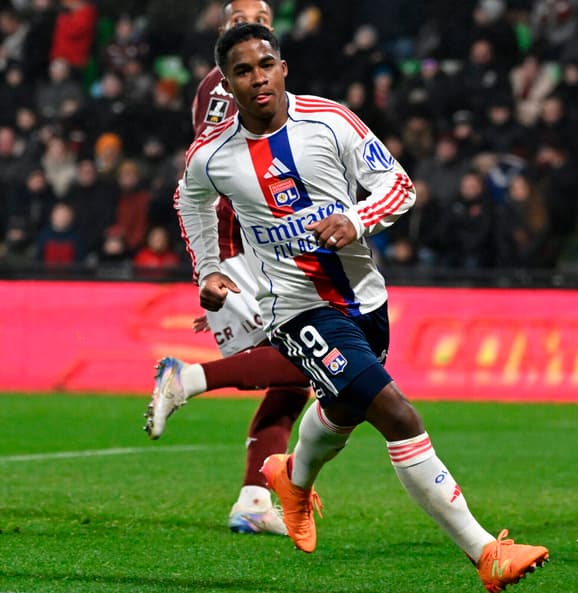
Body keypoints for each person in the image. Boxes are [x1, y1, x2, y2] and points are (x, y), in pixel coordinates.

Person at [176, 23, 548, 592]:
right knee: (396, 414)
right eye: (244, 70)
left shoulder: (330, 120)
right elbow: (191, 203)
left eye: (266, 64)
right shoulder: (213, 155)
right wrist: (210, 269)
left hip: (364, 298)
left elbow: (399, 186)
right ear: (227, 82)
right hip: (295, 310)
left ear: (283, 68)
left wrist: (356, 219)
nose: (258, 78)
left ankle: (292, 480)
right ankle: (485, 554)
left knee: (342, 411)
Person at [145, 0, 311, 538]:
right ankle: (187, 380)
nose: (255, 21)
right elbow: (215, 173)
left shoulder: (253, 77)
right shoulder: (228, 87)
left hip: (264, 242)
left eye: (262, 14)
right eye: (244, 15)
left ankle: (253, 498)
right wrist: (225, 269)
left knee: (299, 376)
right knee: (314, 360)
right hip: (256, 244)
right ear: (223, 29)